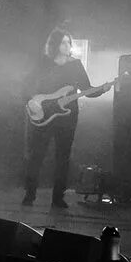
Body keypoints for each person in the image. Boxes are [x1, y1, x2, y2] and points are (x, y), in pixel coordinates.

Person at [22, 28, 107, 208]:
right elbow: (27, 83)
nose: (67, 45)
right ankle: (29, 194)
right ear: (54, 44)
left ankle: (57, 198)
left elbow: (86, 88)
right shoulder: (43, 63)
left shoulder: (75, 65)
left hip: (67, 117)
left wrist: (102, 90)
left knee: (63, 157)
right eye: (63, 42)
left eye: (69, 42)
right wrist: (31, 100)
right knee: (36, 155)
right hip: (43, 113)